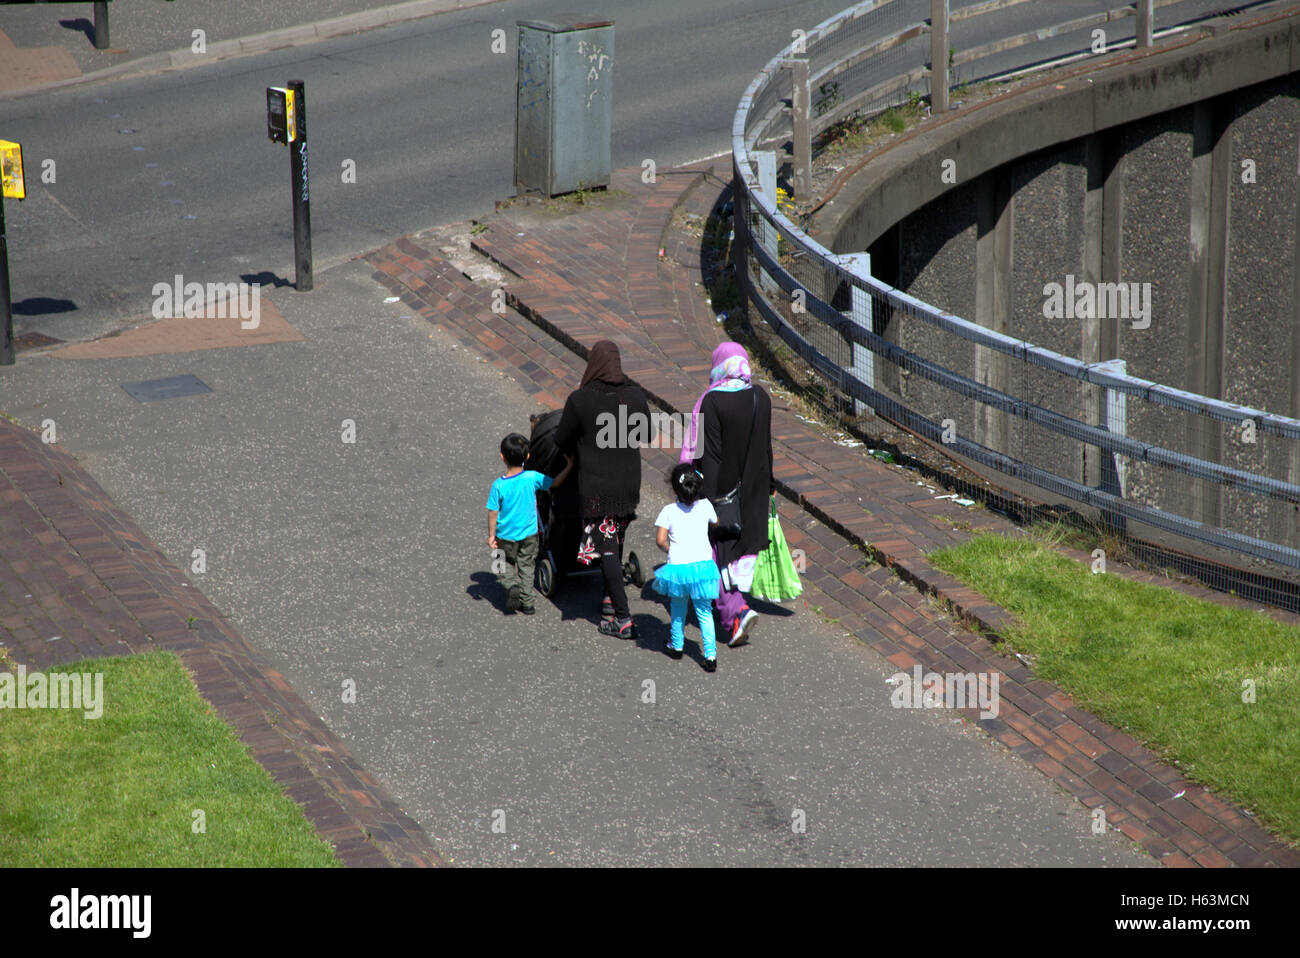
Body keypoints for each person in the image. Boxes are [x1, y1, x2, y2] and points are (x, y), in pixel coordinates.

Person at [555, 340, 651, 638]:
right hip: (628, 482)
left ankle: (622, 619)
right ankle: (610, 599)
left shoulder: (580, 400)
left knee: (607, 548)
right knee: (616, 535)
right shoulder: (635, 396)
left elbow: (561, 440)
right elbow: (645, 434)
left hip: (598, 486)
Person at [680, 341, 774, 647]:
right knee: (734, 554)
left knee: (712, 554)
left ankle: (735, 613)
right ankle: (736, 608)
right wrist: (770, 485)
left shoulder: (712, 402)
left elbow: (711, 457)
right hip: (755, 491)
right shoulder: (761, 397)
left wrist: (704, 498)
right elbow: (766, 447)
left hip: (724, 494)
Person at [486, 433, 572, 615]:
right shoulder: (533, 477)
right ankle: (528, 603)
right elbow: (554, 483)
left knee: (500, 561)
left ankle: (510, 585)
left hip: (505, 536)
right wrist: (569, 466)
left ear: (502, 457)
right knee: (526, 567)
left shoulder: (498, 486)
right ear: (527, 457)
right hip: (530, 535)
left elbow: (493, 512)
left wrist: (491, 535)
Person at [653, 464, 721, 671]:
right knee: (704, 611)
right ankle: (710, 656)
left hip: (679, 568)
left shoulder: (668, 511)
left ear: (675, 489)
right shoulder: (706, 505)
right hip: (702, 567)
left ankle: (676, 645)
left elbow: (660, 540)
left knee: (678, 607)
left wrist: (670, 549)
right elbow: (715, 523)